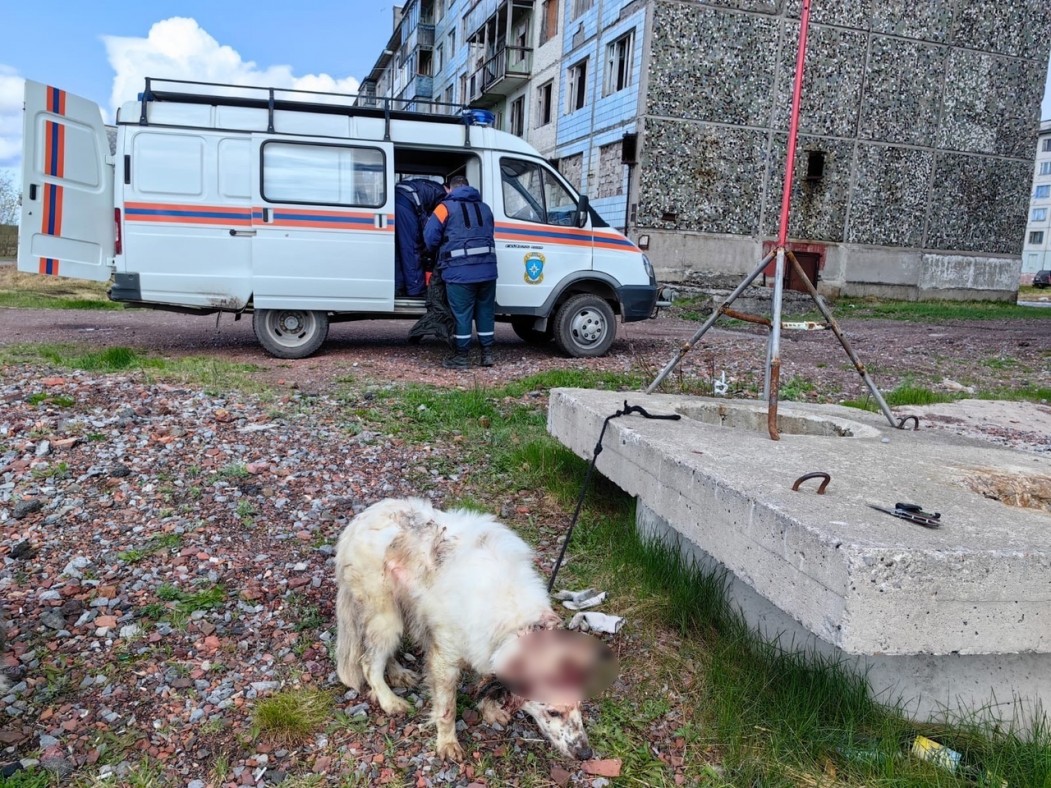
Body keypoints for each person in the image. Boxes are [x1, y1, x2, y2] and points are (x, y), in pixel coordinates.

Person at [423, 175, 498, 369]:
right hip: (488, 270)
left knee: (462, 314)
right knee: (485, 311)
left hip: (459, 273)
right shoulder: (486, 208)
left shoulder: (444, 208)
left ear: (450, 189)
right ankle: (487, 354)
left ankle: (462, 357)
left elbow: (430, 238)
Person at [394, 177, 449, 297]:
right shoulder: (443, 195)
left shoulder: (431, 187)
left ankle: (399, 287)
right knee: (412, 248)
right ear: (448, 189)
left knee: (399, 249)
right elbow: (433, 222)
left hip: (398, 198)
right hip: (406, 203)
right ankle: (416, 290)